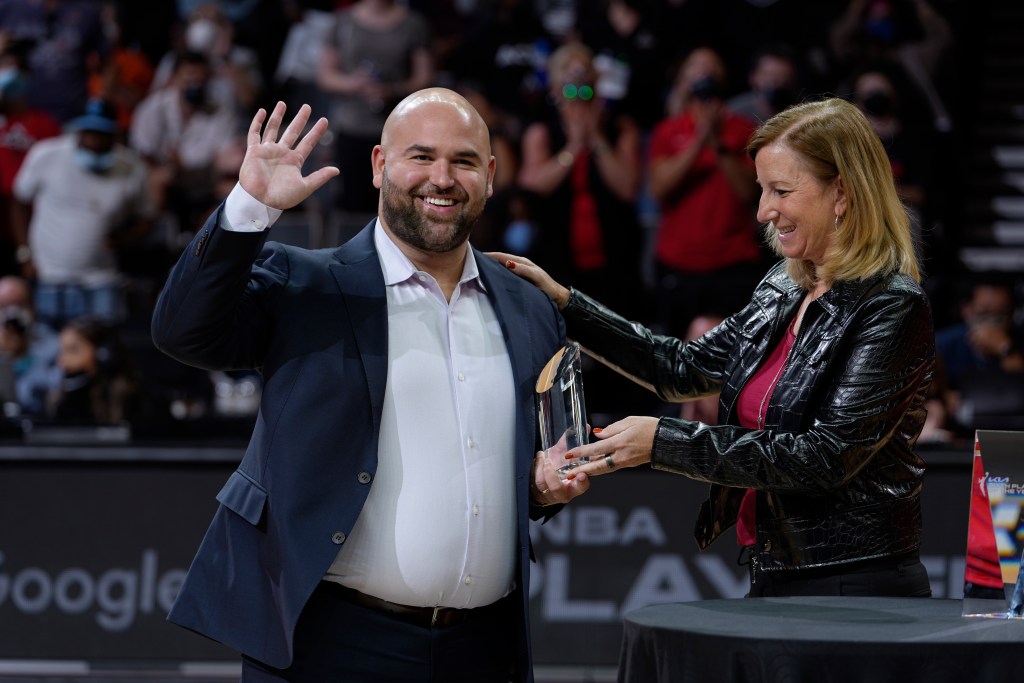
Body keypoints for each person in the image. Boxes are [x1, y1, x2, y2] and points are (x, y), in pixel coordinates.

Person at [151, 89, 590, 681]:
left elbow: (528, 468)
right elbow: (182, 333)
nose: (442, 177)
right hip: (329, 646)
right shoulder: (304, 282)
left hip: (485, 649)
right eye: (421, 156)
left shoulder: (530, 307)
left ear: (489, 176)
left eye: (463, 161)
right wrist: (249, 207)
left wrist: (539, 490)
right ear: (381, 164)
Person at [494, 97, 936, 598]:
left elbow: (823, 458)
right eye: (762, 190)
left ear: (842, 193)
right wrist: (566, 304)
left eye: (781, 191)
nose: (764, 211)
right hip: (774, 569)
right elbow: (680, 368)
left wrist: (664, 443)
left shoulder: (893, 306)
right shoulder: (783, 286)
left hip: (858, 583)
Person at [649, 46, 766, 338]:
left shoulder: (745, 130)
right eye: (697, 68)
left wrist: (717, 142)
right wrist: (699, 138)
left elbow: (749, 192)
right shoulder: (668, 130)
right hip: (679, 265)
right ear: (684, 80)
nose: (705, 75)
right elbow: (659, 188)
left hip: (732, 264)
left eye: (712, 68)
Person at [12, 97, 155, 330]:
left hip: (101, 277)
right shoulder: (47, 154)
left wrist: (122, 239)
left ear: (114, 134)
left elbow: (147, 217)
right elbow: (19, 200)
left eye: (101, 133)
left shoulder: (131, 167)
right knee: (52, 350)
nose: (94, 139)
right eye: (88, 131)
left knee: (104, 351)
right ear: (77, 129)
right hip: (51, 274)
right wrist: (24, 253)